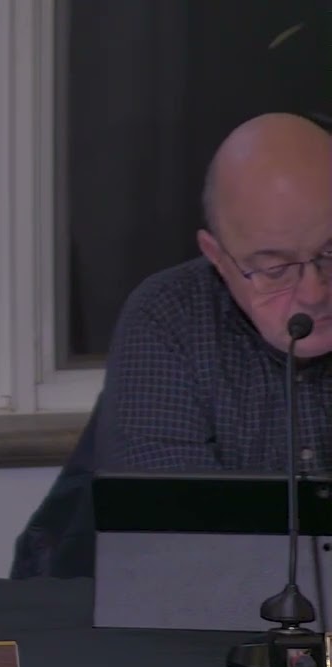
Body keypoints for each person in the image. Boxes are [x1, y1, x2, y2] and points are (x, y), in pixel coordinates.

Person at [96, 112, 332, 474]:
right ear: (218, 257)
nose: (314, 294)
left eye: (330, 253)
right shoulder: (170, 316)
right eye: (275, 269)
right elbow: (172, 506)